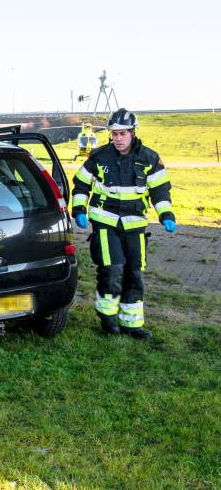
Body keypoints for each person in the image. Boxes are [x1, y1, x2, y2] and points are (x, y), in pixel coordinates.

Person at [72, 108, 176, 340]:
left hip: (135, 226)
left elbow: (160, 191)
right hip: (105, 225)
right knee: (113, 269)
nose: (117, 138)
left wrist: (166, 214)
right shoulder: (99, 156)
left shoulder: (149, 158)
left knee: (134, 273)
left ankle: (132, 324)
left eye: (122, 134)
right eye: (114, 134)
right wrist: (79, 209)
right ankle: (108, 319)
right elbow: (80, 185)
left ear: (132, 133)